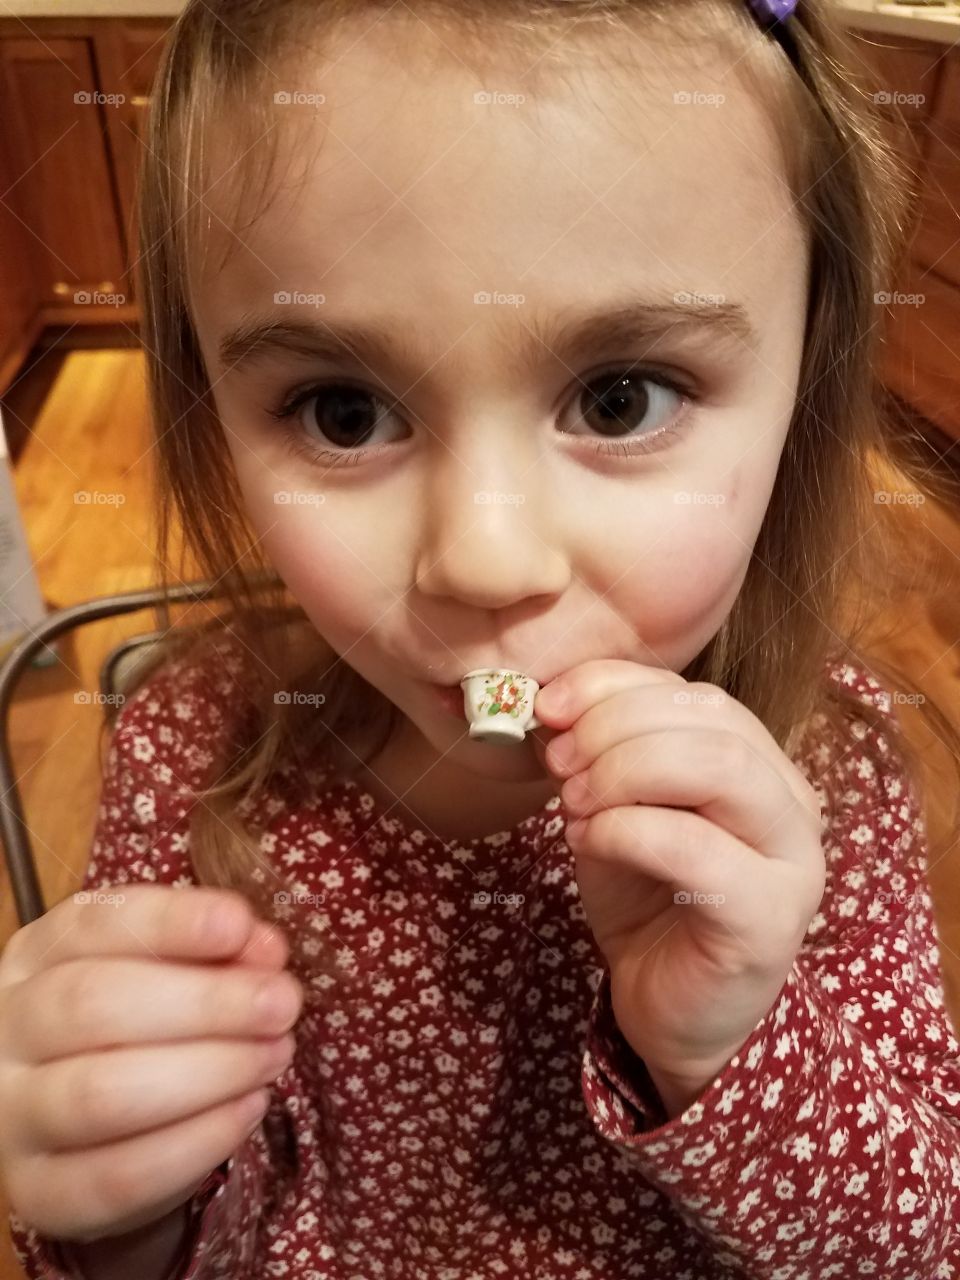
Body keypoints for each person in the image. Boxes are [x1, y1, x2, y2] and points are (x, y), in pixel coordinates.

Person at [3, 0, 960, 1275]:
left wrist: (737, 1039)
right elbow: (205, 1234)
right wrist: (117, 1194)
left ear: (807, 378)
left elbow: (915, 1244)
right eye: (344, 413)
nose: (486, 561)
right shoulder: (194, 752)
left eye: (621, 396)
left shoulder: (823, 770)